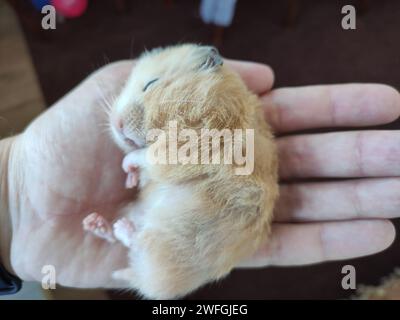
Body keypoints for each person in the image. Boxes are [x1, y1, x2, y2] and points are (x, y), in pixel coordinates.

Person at [0, 59, 399, 293]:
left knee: (162, 242)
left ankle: (134, 241)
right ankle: (132, 240)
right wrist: (13, 188)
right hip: (168, 226)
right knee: (154, 239)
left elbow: (193, 160)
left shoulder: (222, 124)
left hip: (181, 228)